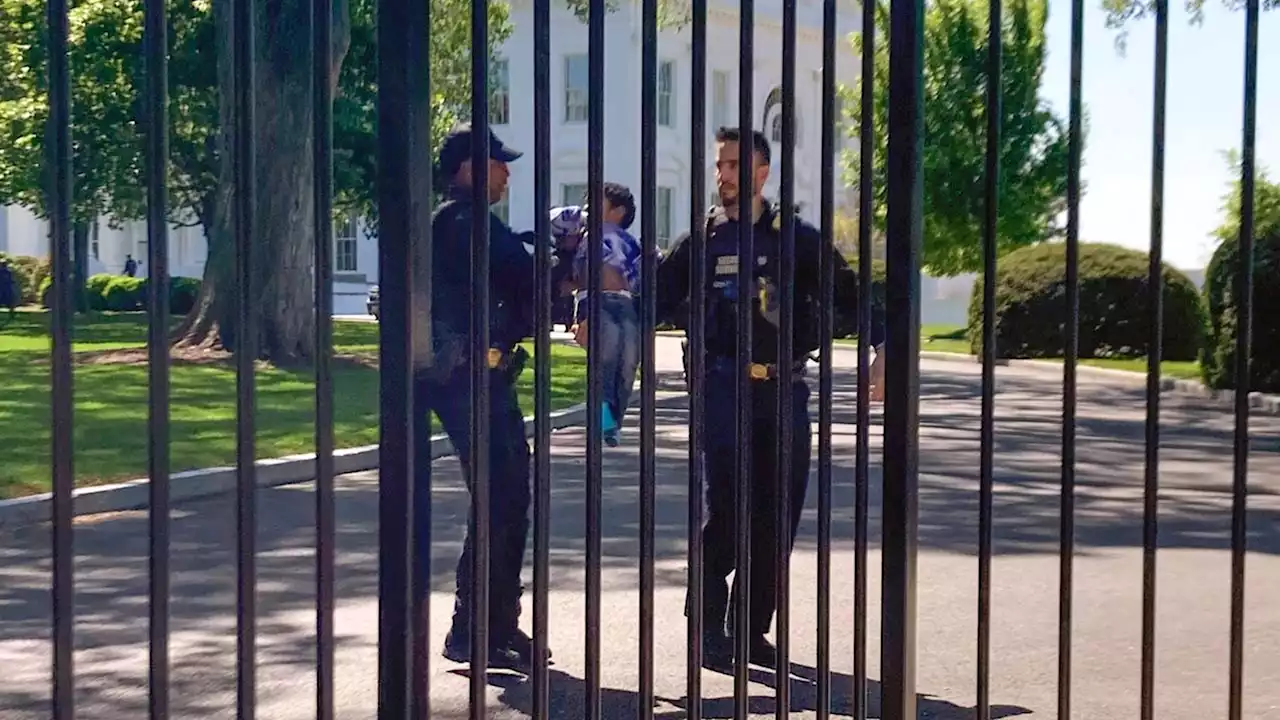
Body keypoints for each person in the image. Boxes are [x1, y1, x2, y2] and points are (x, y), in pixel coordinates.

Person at [573, 126, 887, 668]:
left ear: (763, 172)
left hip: (784, 389)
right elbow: (652, 298)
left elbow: (852, 293)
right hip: (721, 389)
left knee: (776, 516)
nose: (724, 175)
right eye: (721, 165)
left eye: (736, 165)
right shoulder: (701, 240)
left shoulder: (796, 237)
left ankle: (749, 628)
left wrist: (884, 351)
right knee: (725, 513)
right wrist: (594, 315)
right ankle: (708, 626)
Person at [415, 122, 546, 673]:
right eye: (498, 162)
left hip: (483, 377)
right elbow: (526, 280)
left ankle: (492, 622)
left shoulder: (467, 225)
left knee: (508, 495)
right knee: (502, 496)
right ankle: (472, 627)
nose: (507, 171)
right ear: (470, 167)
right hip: (468, 379)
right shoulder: (464, 223)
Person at [550, 182, 646, 446]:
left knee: (628, 364)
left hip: (626, 304)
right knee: (605, 362)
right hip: (598, 302)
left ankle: (614, 419)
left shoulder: (627, 241)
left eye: (595, 204)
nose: (588, 209)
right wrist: (582, 315)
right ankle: (603, 423)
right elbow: (582, 278)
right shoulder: (587, 238)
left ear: (618, 211)